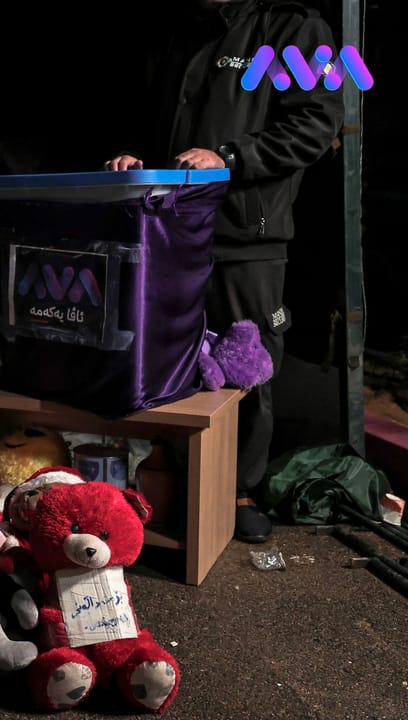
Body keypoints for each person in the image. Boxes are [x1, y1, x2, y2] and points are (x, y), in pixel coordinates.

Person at [105, 0, 344, 543]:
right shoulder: (178, 32)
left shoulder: (293, 29)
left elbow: (315, 122)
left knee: (246, 364)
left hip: (246, 234)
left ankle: (239, 490)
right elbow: (153, 120)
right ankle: (176, 480)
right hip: (170, 231)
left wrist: (230, 157)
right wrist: (132, 155)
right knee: (171, 358)